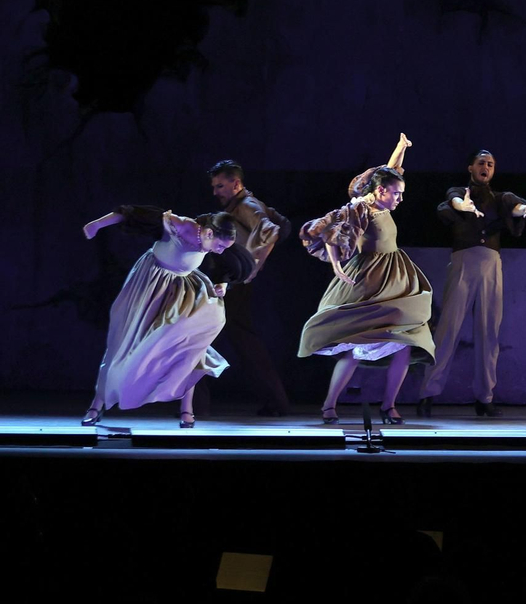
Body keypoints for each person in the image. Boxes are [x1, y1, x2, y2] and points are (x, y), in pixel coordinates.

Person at [298, 134, 434, 425]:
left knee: (405, 341)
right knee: (354, 344)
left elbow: (392, 170)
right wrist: (336, 265)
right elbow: (329, 231)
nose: (400, 199)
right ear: (382, 191)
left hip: (396, 277)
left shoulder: (382, 201)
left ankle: (389, 406)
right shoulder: (361, 208)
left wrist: (401, 148)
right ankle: (329, 405)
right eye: (396, 194)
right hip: (370, 278)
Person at [79, 209, 237, 428]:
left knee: (189, 345)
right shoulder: (181, 225)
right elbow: (133, 213)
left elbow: (229, 264)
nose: (220, 252)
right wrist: (97, 224)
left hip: (183, 290)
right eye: (219, 246)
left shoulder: (213, 240)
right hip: (150, 284)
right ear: (209, 233)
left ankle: (187, 410)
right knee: (123, 343)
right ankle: (96, 405)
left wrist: (223, 284)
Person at [416, 150, 526, 418]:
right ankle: (428, 393)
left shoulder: (500, 198)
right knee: (448, 329)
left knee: (489, 332)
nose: (486, 167)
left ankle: (485, 397)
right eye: (481, 163)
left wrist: (525, 209)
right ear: (471, 168)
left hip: (490, 264)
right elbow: (451, 202)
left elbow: (515, 207)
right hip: (464, 262)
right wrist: (461, 206)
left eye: (490, 164)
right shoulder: (459, 192)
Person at [196, 159, 293, 417]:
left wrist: (250, 268)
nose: (215, 192)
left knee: (204, 336)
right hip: (228, 279)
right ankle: (196, 406)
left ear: (236, 184)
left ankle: (196, 407)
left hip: (232, 282)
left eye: (220, 186)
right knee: (221, 338)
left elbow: (270, 231)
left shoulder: (247, 205)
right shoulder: (239, 205)